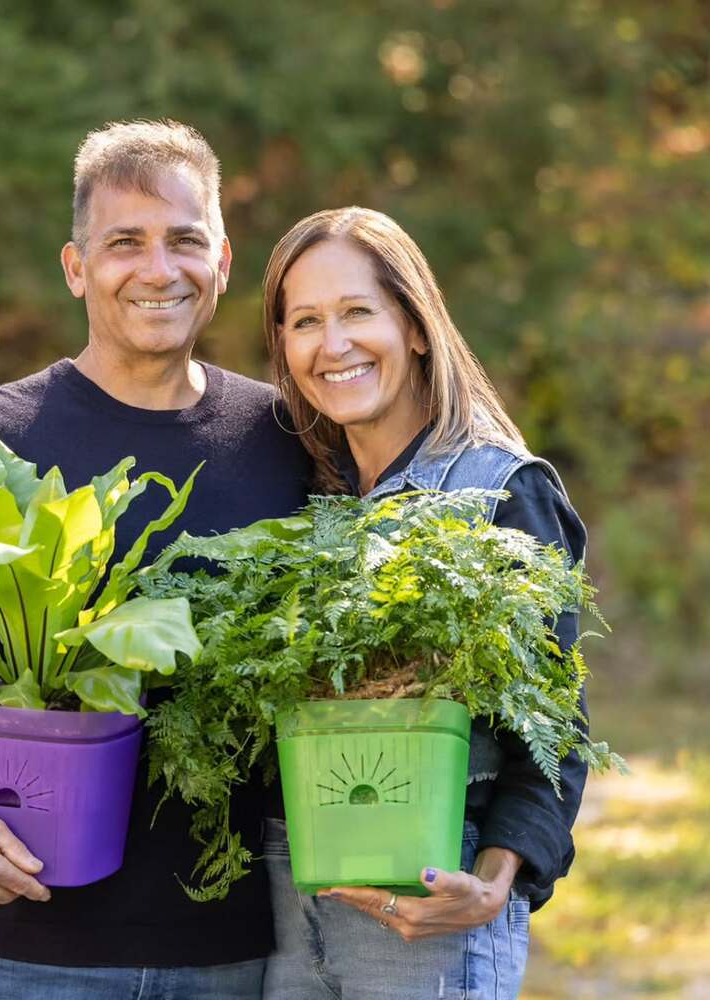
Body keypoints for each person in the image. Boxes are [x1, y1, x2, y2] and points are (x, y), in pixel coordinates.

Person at [0, 120, 312, 1000]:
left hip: (239, 951)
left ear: (224, 260)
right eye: (124, 243)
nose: (158, 269)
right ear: (76, 267)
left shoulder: (286, 440)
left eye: (184, 240)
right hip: (28, 948)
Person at [258, 207, 589, 999]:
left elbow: (553, 731)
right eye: (305, 321)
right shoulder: (301, 500)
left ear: (413, 325)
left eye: (356, 313)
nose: (331, 345)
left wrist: (495, 881)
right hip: (288, 902)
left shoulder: (500, 492)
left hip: (430, 910)